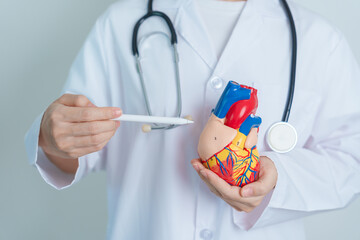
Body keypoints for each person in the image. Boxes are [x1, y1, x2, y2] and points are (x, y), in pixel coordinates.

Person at [25, 0, 360, 239]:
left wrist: (277, 178)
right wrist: (55, 138)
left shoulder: (318, 40)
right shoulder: (120, 24)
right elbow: (75, 150)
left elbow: (350, 161)